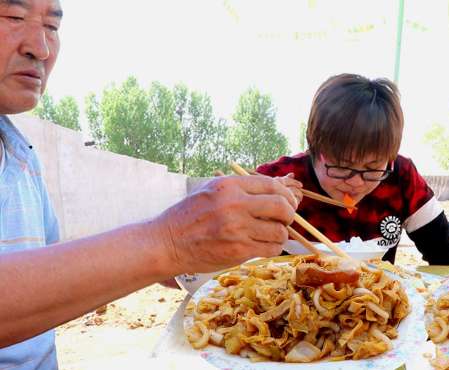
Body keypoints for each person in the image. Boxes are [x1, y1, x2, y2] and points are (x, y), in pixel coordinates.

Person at [0, 0, 301, 367]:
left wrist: (189, 262)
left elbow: (43, 284)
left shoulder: (22, 157)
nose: (41, 48)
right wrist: (168, 243)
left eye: (52, 27)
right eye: (13, 16)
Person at [257, 73, 449, 265]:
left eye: (373, 167)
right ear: (314, 146)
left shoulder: (400, 176)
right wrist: (258, 216)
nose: (356, 183)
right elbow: (234, 274)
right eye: (342, 166)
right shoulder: (273, 181)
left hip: (375, 305)